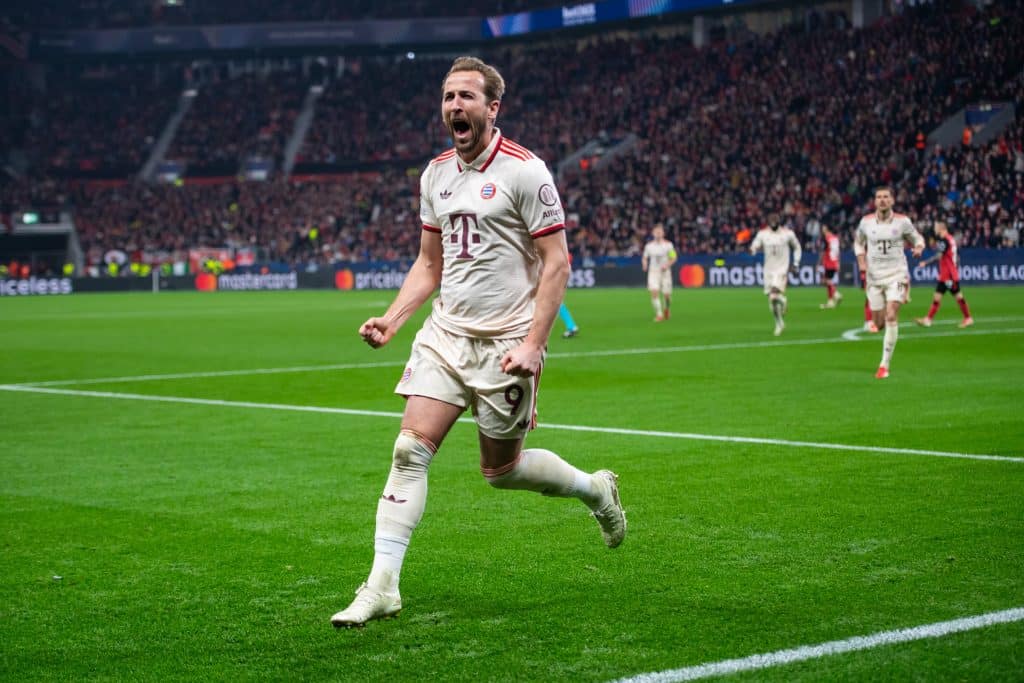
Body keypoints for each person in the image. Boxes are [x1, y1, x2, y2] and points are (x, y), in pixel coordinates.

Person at [330, 56, 626, 629]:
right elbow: (427, 262)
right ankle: (382, 586)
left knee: (502, 472)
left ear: (493, 107)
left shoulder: (526, 171)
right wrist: (393, 319)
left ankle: (594, 489)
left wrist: (536, 345)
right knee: (408, 451)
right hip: (446, 335)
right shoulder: (435, 173)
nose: (455, 106)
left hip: (507, 343)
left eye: (467, 96)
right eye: (447, 97)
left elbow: (557, 263)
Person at [853, 186, 925, 379]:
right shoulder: (866, 222)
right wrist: (861, 260)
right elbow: (858, 242)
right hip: (874, 278)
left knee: (891, 314)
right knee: (878, 322)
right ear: (875, 201)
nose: (882, 200)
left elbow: (918, 238)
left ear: (892, 200)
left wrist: (918, 247)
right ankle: (882, 324)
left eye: (886, 197)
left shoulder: (902, 222)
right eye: (879, 197)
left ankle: (884, 365)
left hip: (897, 276)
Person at [750, 213, 801, 336]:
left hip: (781, 269)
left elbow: (797, 247)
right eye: (771, 219)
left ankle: (783, 300)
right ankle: (779, 323)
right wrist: (753, 249)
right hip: (768, 271)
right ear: (768, 221)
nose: (773, 221)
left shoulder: (787, 234)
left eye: (775, 219)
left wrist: (796, 263)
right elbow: (755, 245)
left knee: (774, 296)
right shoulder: (763, 234)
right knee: (772, 301)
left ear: (779, 220)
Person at [915, 221, 973, 328]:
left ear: (942, 228)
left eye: (936, 227)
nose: (935, 229)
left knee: (957, 296)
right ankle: (928, 319)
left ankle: (968, 318)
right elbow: (956, 257)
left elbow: (939, 256)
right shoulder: (950, 239)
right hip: (947, 275)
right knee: (938, 297)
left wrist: (925, 263)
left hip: (948, 276)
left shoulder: (944, 240)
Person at [641, 223, 677, 321]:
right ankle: (659, 314)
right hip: (653, 272)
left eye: (660, 232)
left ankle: (667, 309)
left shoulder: (668, 245)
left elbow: (673, 258)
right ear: (653, 233)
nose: (658, 234)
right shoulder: (649, 246)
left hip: (665, 273)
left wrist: (667, 265)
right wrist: (644, 264)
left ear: (663, 233)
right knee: (654, 291)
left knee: (667, 295)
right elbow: (644, 257)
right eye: (656, 232)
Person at [818, 224, 844, 309]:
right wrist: (838, 262)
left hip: (828, 262)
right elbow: (838, 251)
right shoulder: (835, 238)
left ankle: (836, 294)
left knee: (824, 281)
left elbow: (823, 251)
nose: (822, 229)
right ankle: (830, 302)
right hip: (835, 261)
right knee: (828, 281)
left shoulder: (826, 238)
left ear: (826, 229)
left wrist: (819, 263)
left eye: (823, 228)